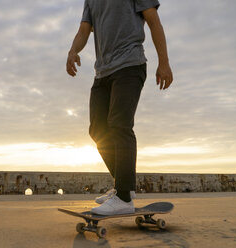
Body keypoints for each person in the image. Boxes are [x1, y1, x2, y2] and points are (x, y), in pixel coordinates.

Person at [66, 0, 173, 215]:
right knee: (98, 130)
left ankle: (123, 197)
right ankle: (123, 187)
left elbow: (153, 20)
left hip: (130, 64)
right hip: (102, 72)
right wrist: (72, 50)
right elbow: (84, 30)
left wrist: (164, 62)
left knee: (119, 125)